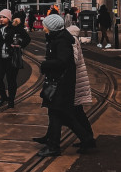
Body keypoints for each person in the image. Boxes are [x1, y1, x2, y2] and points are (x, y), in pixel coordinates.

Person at [36, 14, 93, 157]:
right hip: (61, 82)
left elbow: (63, 61)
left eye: (45, 26)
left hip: (61, 83)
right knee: (61, 114)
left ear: (51, 27)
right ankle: (85, 140)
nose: (43, 28)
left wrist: (45, 64)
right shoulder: (59, 38)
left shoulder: (61, 41)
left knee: (61, 114)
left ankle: (55, 146)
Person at [0, 9, 30, 109]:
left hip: (11, 58)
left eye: (4, 17)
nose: (1, 19)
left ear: (9, 18)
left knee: (11, 80)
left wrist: (20, 45)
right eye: (0, 17)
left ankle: (11, 100)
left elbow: (27, 39)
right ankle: (3, 97)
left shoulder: (16, 28)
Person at [66, 24, 96, 152]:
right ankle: (88, 138)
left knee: (73, 113)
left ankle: (88, 140)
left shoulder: (72, 41)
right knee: (78, 112)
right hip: (79, 81)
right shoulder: (75, 40)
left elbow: (72, 59)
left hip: (76, 82)